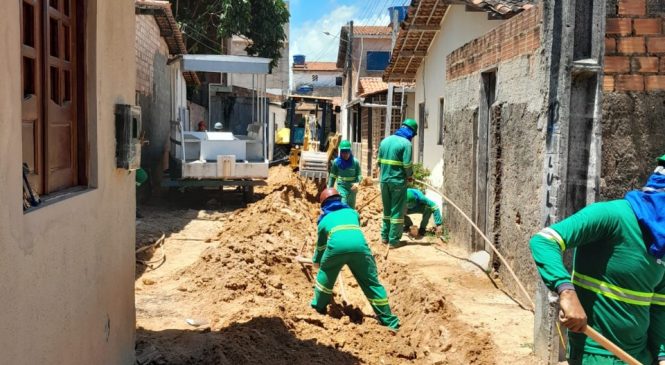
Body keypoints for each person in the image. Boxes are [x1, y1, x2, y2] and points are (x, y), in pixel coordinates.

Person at [529, 154, 665, 365]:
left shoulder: (662, 243)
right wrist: (566, 291)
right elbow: (544, 241)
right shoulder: (611, 216)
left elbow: (659, 306)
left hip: (639, 356)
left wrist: (661, 355)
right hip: (595, 354)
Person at [310, 188, 400, 330]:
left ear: (324, 205)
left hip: (336, 249)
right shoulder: (353, 213)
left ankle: (318, 307)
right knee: (371, 283)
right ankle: (390, 322)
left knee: (325, 276)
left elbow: (321, 247)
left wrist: (317, 262)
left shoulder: (323, 221)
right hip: (360, 249)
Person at [377, 119, 417, 246]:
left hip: (384, 181)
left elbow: (378, 162)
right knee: (397, 212)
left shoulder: (385, 141)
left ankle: (384, 237)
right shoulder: (406, 144)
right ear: (411, 131)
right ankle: (394, 240)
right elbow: (407, 165)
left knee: (387, 210)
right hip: (398, 182)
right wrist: (410, 176)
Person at [328, 140, 361, 209]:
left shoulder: (355, 162)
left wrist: (357, 183)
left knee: (351, 207)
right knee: (343, 204)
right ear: (340, 152)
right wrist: (329, 189)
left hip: (352, 188)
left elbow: (359, 175)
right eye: (343, 152)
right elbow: (332, 176)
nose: (345, 154)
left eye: (347, 151)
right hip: (341, 187)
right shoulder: (336, 162)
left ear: (350, 151)